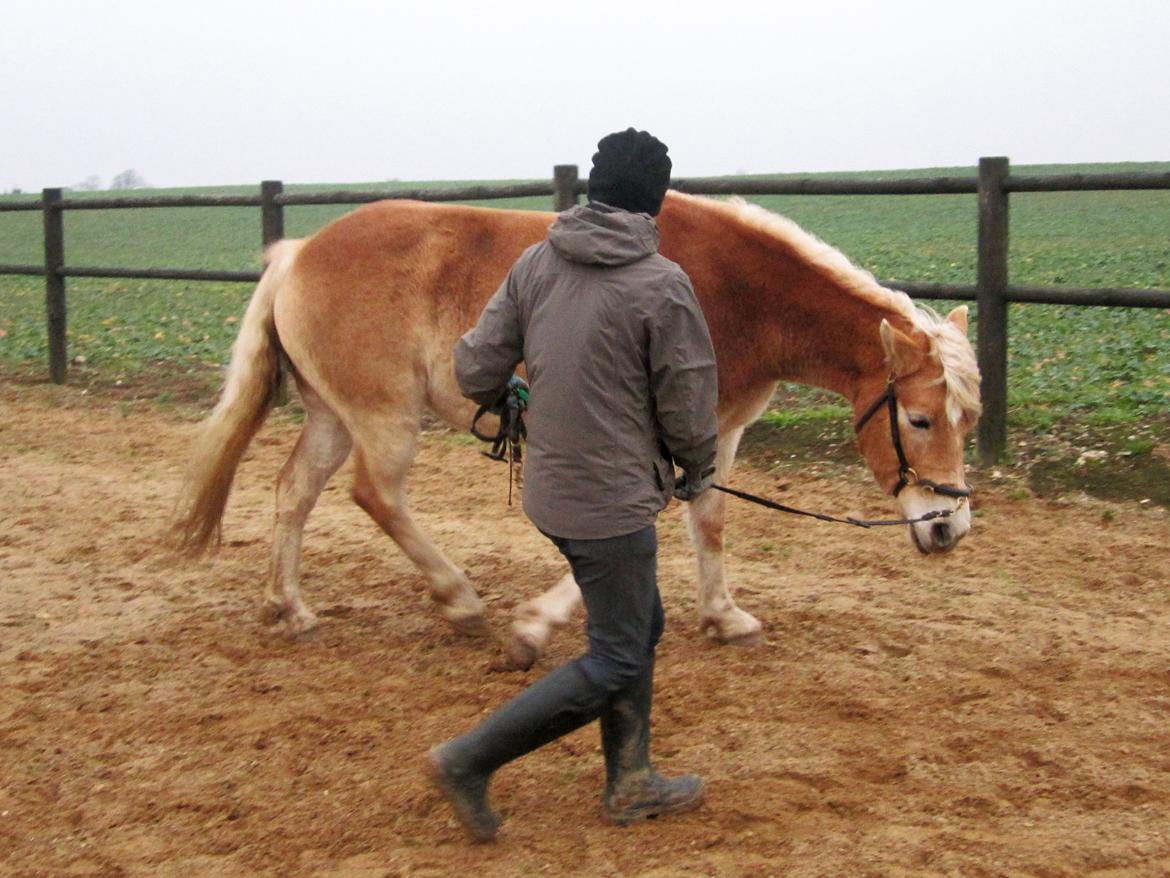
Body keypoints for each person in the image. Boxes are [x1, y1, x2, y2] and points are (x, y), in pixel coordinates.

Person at [429, 128, 719, 842]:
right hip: (611, 503)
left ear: (591, 189)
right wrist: (696, 465)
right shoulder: (662, 284)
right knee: (620, 650)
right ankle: (470, 759)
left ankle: (631, 777)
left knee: (639, 624)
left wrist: (511, 394)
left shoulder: (536, 264)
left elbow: (473, 370)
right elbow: (686, 401)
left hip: (552, 492)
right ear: (656, 201)